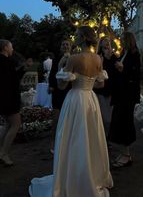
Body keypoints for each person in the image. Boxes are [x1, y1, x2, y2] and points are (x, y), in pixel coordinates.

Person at [29, 26, 113, 197]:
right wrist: (87, 83)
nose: (74, 38)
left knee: (72, 137)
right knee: (91, 136)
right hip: (91, 100)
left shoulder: (74, 58)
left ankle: (72, 176)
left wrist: (62, 69)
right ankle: (92, 175)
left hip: (75, 100)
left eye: (76, 35)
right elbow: (101, 84)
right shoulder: (98, 58)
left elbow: (61, 85)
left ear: (82, 37)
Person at [108, 32, 141, 168]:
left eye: (122, 39)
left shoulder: (134, 54)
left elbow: (135, 73)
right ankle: (124, 152)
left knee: (125, 123)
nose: (120, 41)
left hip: (128, 95)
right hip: (121, 94)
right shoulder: (123, 53)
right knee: (119, 122)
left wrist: (123, 69)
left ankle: (127, 155)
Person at [48, 40, 72, 154]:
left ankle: (66, 142)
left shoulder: (73, 59)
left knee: (69, 118)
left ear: (71, 47)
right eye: (63, 44)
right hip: (57, 92)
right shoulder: (56, 59)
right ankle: (53, 142)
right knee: (56, 118)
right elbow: (52, 74)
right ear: (60, 47)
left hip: (70, 91)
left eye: (67, 44)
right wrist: (51, 85)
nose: (65, 46)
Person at [0, 39, 22, 166]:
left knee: (7, 125)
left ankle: (1, 152)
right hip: (9, 99)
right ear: (5, 48)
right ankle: (4, 154)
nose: (12, 49)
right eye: (11, 47)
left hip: (3, 98)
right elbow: (12, 82)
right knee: (15, 124)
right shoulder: (7, 62)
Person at [94, 36, 117, 135]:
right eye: (105, 41)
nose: (107, 42)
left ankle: (107, 137)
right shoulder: (97, 56)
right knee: (100, 116)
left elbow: (117, 72)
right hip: (100, 89)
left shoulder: (114, 56)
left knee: (109, 118)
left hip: (111, 89)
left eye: (108, 41)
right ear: (101, 44)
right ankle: (101, 137)